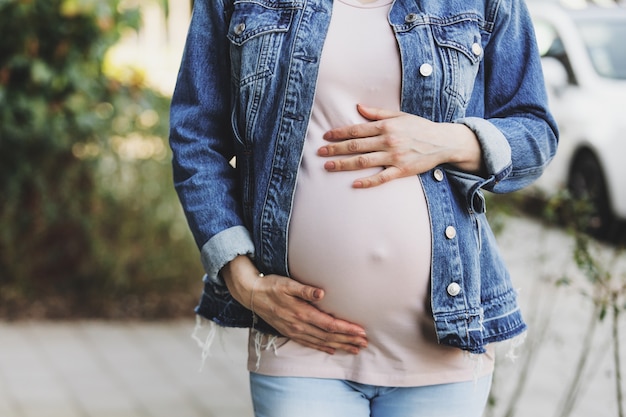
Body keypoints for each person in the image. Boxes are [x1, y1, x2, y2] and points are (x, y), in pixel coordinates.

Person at [169, 0, 558, 415]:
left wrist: (445, 141)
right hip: (297, 340)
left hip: (442, 343)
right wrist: (242, 281)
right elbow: (196, 136)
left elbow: (535, 132)